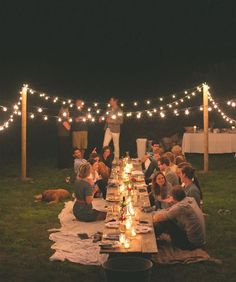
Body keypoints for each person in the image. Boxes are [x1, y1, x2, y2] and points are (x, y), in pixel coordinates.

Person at [100, 97, 123, 164]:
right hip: (108, 129)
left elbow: (121, 121)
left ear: (115, 101)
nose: (109, 101)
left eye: (111, 100)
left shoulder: (119, 110)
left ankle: (116, 160)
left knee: (116, 145)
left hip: (115, 130)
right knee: (105, 145)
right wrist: (102, 117)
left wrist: (111, 121)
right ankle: (103, 158)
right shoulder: (109, 109)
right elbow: (106, 115)